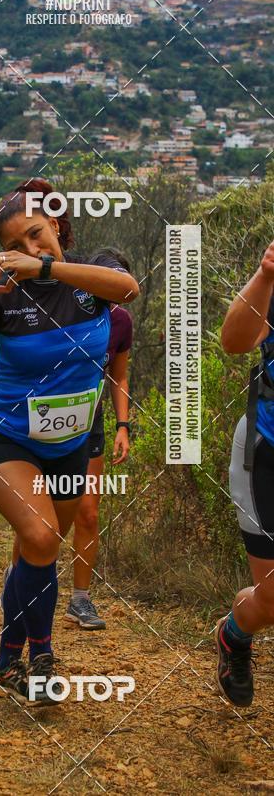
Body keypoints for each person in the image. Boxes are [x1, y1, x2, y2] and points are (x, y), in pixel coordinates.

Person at [0, 177, 139, 705]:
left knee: (35, 550)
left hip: (68, 444)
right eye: (14, 245)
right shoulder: (2, 298)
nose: (29, 249)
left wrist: (45, 268)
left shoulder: (89, 279)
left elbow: (128, 289)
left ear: (57, 225)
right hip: (3, 435)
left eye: (37, 234)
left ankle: (6, 657)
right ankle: (42, 660)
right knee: (41, 539)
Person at [216, 240, 274, 707]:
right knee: (272, 600)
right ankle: (233, 635)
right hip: (266, 451)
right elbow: (233, 341)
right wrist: (266, 275)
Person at [64, 247, 133, 630]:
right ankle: (21, 584)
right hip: (45, 419)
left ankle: (80, 599)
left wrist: (123, 426)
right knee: (41, 514)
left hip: (90, 420)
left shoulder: (121, 321)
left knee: (88, 513)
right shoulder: (66, 308)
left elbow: (118, 377)